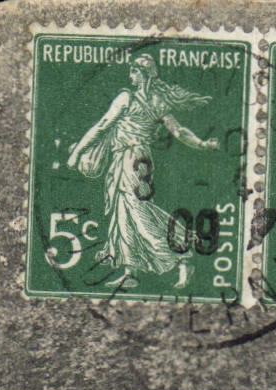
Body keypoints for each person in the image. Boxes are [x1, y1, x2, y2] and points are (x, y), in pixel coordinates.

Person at [67, 55, 219, 289]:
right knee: (125, 212)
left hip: (130, 160)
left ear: (143, 74)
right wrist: (202, 144)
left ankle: (183, 253)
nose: (130, 77)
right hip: (138, 159)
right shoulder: (158, 102)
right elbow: (180, 132)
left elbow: (103, 125)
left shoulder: (126, 98)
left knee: (137, 212)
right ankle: (131, 272)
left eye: (134, 72)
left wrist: (77, 152)